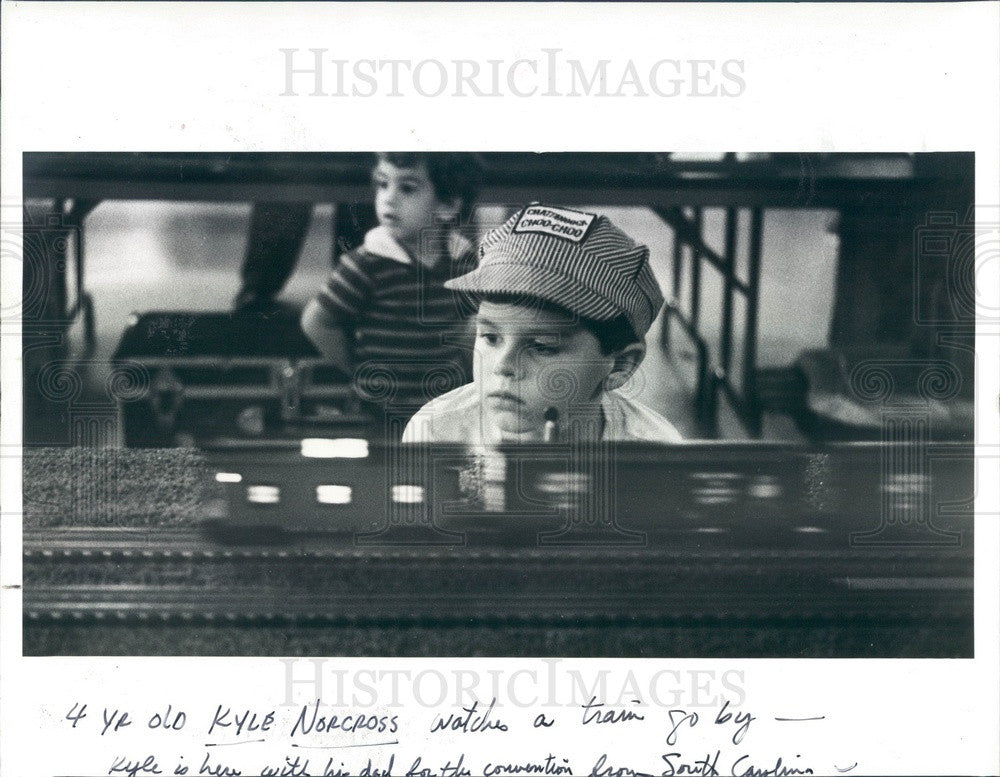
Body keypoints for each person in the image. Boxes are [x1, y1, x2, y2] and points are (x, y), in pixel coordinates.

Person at [402, 203, 683, 444]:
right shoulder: (436, 432)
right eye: (490, 337)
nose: (503, 366)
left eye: (542, 347)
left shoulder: (654, 453)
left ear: (620, 365)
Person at [300, 152, 484, 430]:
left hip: (443, 409)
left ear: (447, 205)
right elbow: (316, 322)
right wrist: (357, 368)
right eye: (383, 184)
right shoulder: (366, 262)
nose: (388, 198)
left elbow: (480, 323)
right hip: (378, 412)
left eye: (407, 188)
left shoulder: (463, 261)